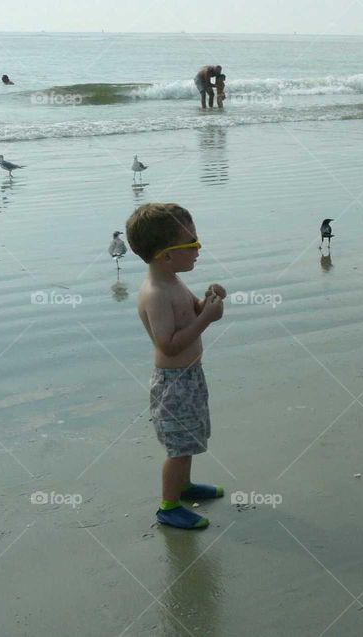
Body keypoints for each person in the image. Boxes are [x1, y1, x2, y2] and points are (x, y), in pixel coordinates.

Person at [125, 203, 227, 529]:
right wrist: (207, 320)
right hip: (173, 382)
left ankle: (184, 487)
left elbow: (190, 314)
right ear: (166, 255)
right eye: (192, 244)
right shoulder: (156, 292)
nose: (199, 249)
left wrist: (207, 303)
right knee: (178, 447)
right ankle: (168, 507)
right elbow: (168, 344)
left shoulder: (173, 280)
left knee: (191, 436)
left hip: (190, 375)